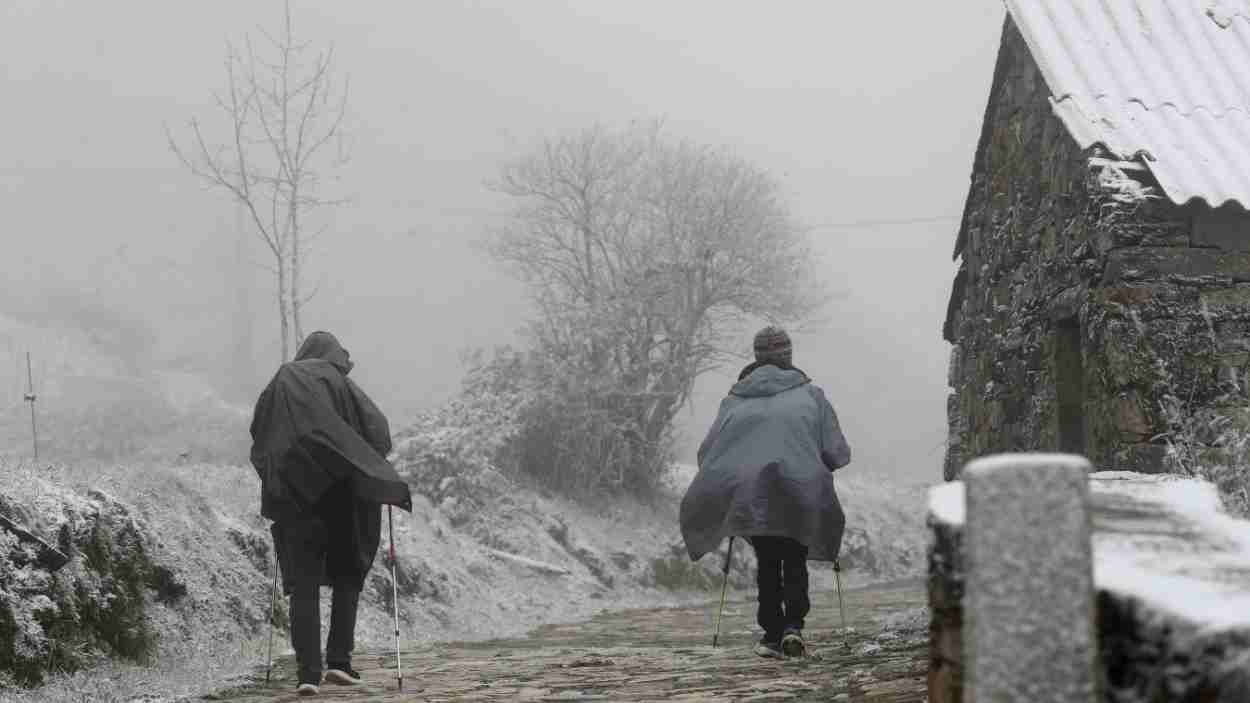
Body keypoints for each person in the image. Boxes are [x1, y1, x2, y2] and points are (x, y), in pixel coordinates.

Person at [250, 331, 412, 696]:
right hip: (342, 497)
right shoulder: (343, 384)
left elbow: (260, 437)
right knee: (347, 574)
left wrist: (278, 479)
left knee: (304, 585)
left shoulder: (282, 380)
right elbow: (379, 433)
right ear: (335, 356)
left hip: (295, 496)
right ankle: (339, 662)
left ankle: (308, 674)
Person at [680, 326, 851, 659]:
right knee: (795, 556)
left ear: (756, 358)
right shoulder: (811, 396)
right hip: (800, 490)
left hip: (751, 495)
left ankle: (772, 632)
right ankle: (794, 626)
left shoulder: (734, 401)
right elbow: (836, 453)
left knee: (769, 559)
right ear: (788, 357)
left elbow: (708, 452)